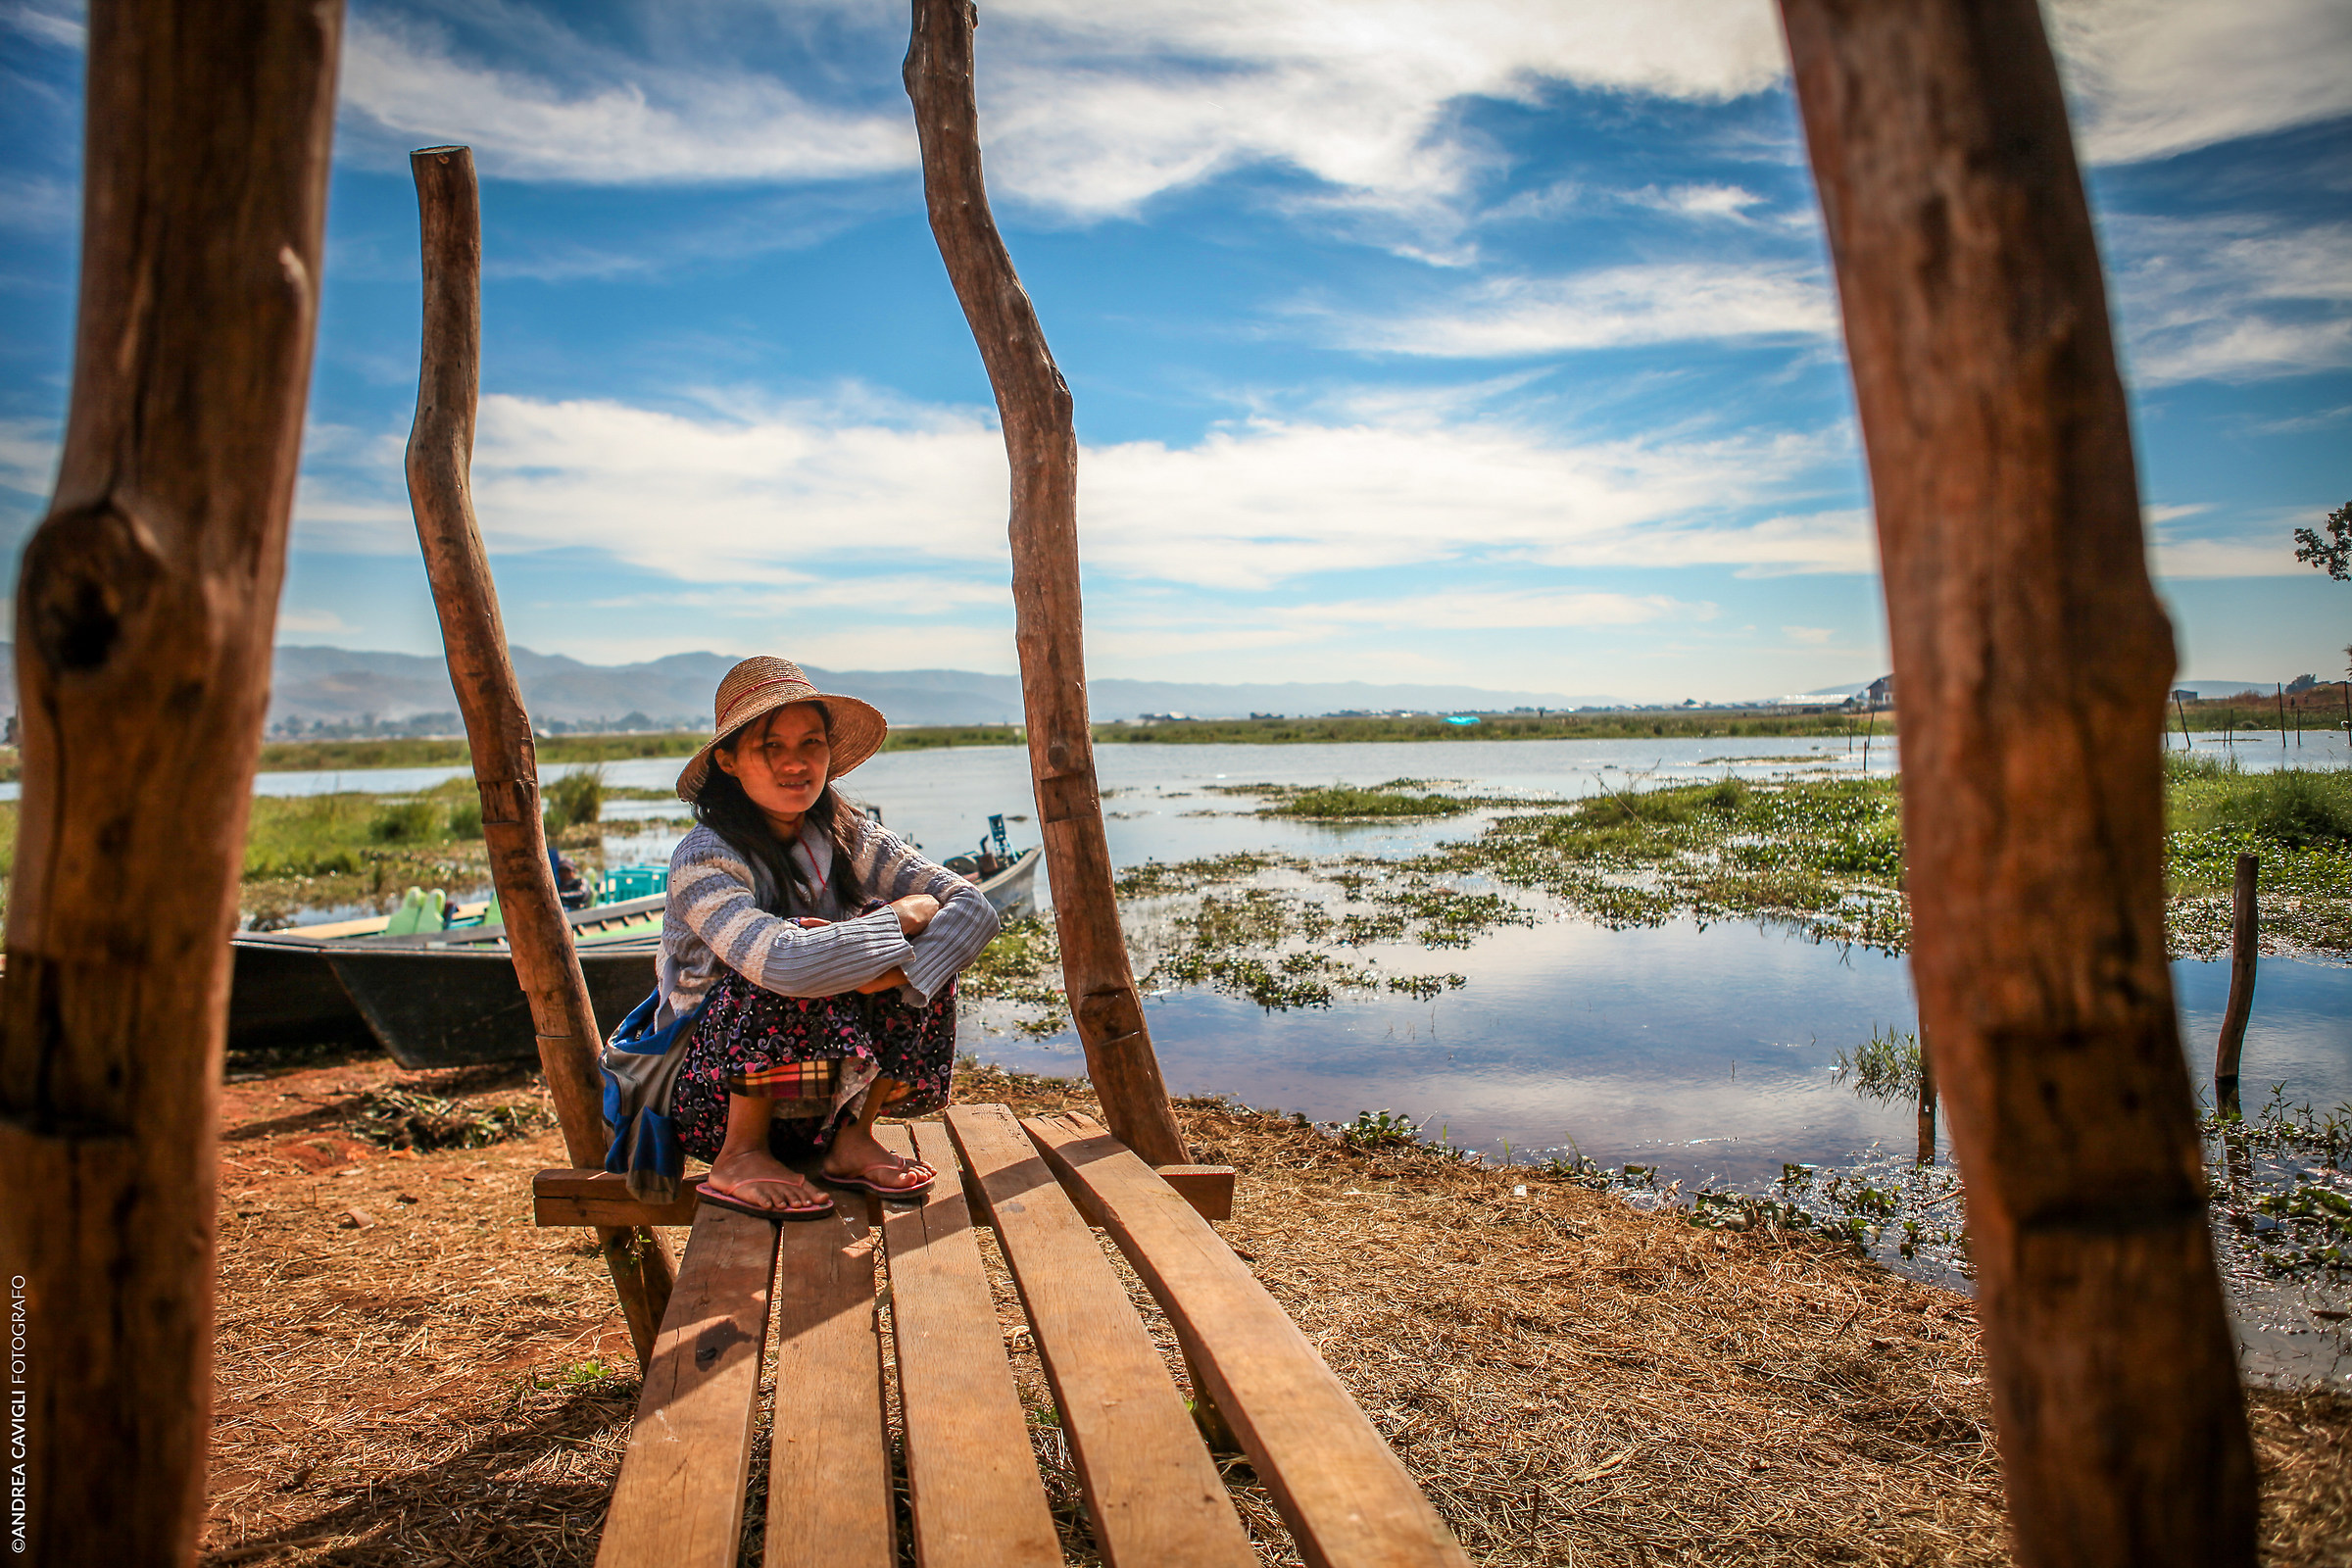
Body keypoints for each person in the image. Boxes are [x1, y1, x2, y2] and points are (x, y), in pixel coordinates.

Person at [599, 657, 1001, 1219]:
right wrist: (895, 922)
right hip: (706, 1098)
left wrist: (900, 970)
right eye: (771, 747)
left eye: (811, 743)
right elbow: (786, 965)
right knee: (783, 957)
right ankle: (741, 1156)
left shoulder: (844, 834)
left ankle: (852, 1139)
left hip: (825, 1095)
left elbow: (973, 907)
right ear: (729, 761)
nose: (796, 764)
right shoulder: (705, 857)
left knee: (929, 956)